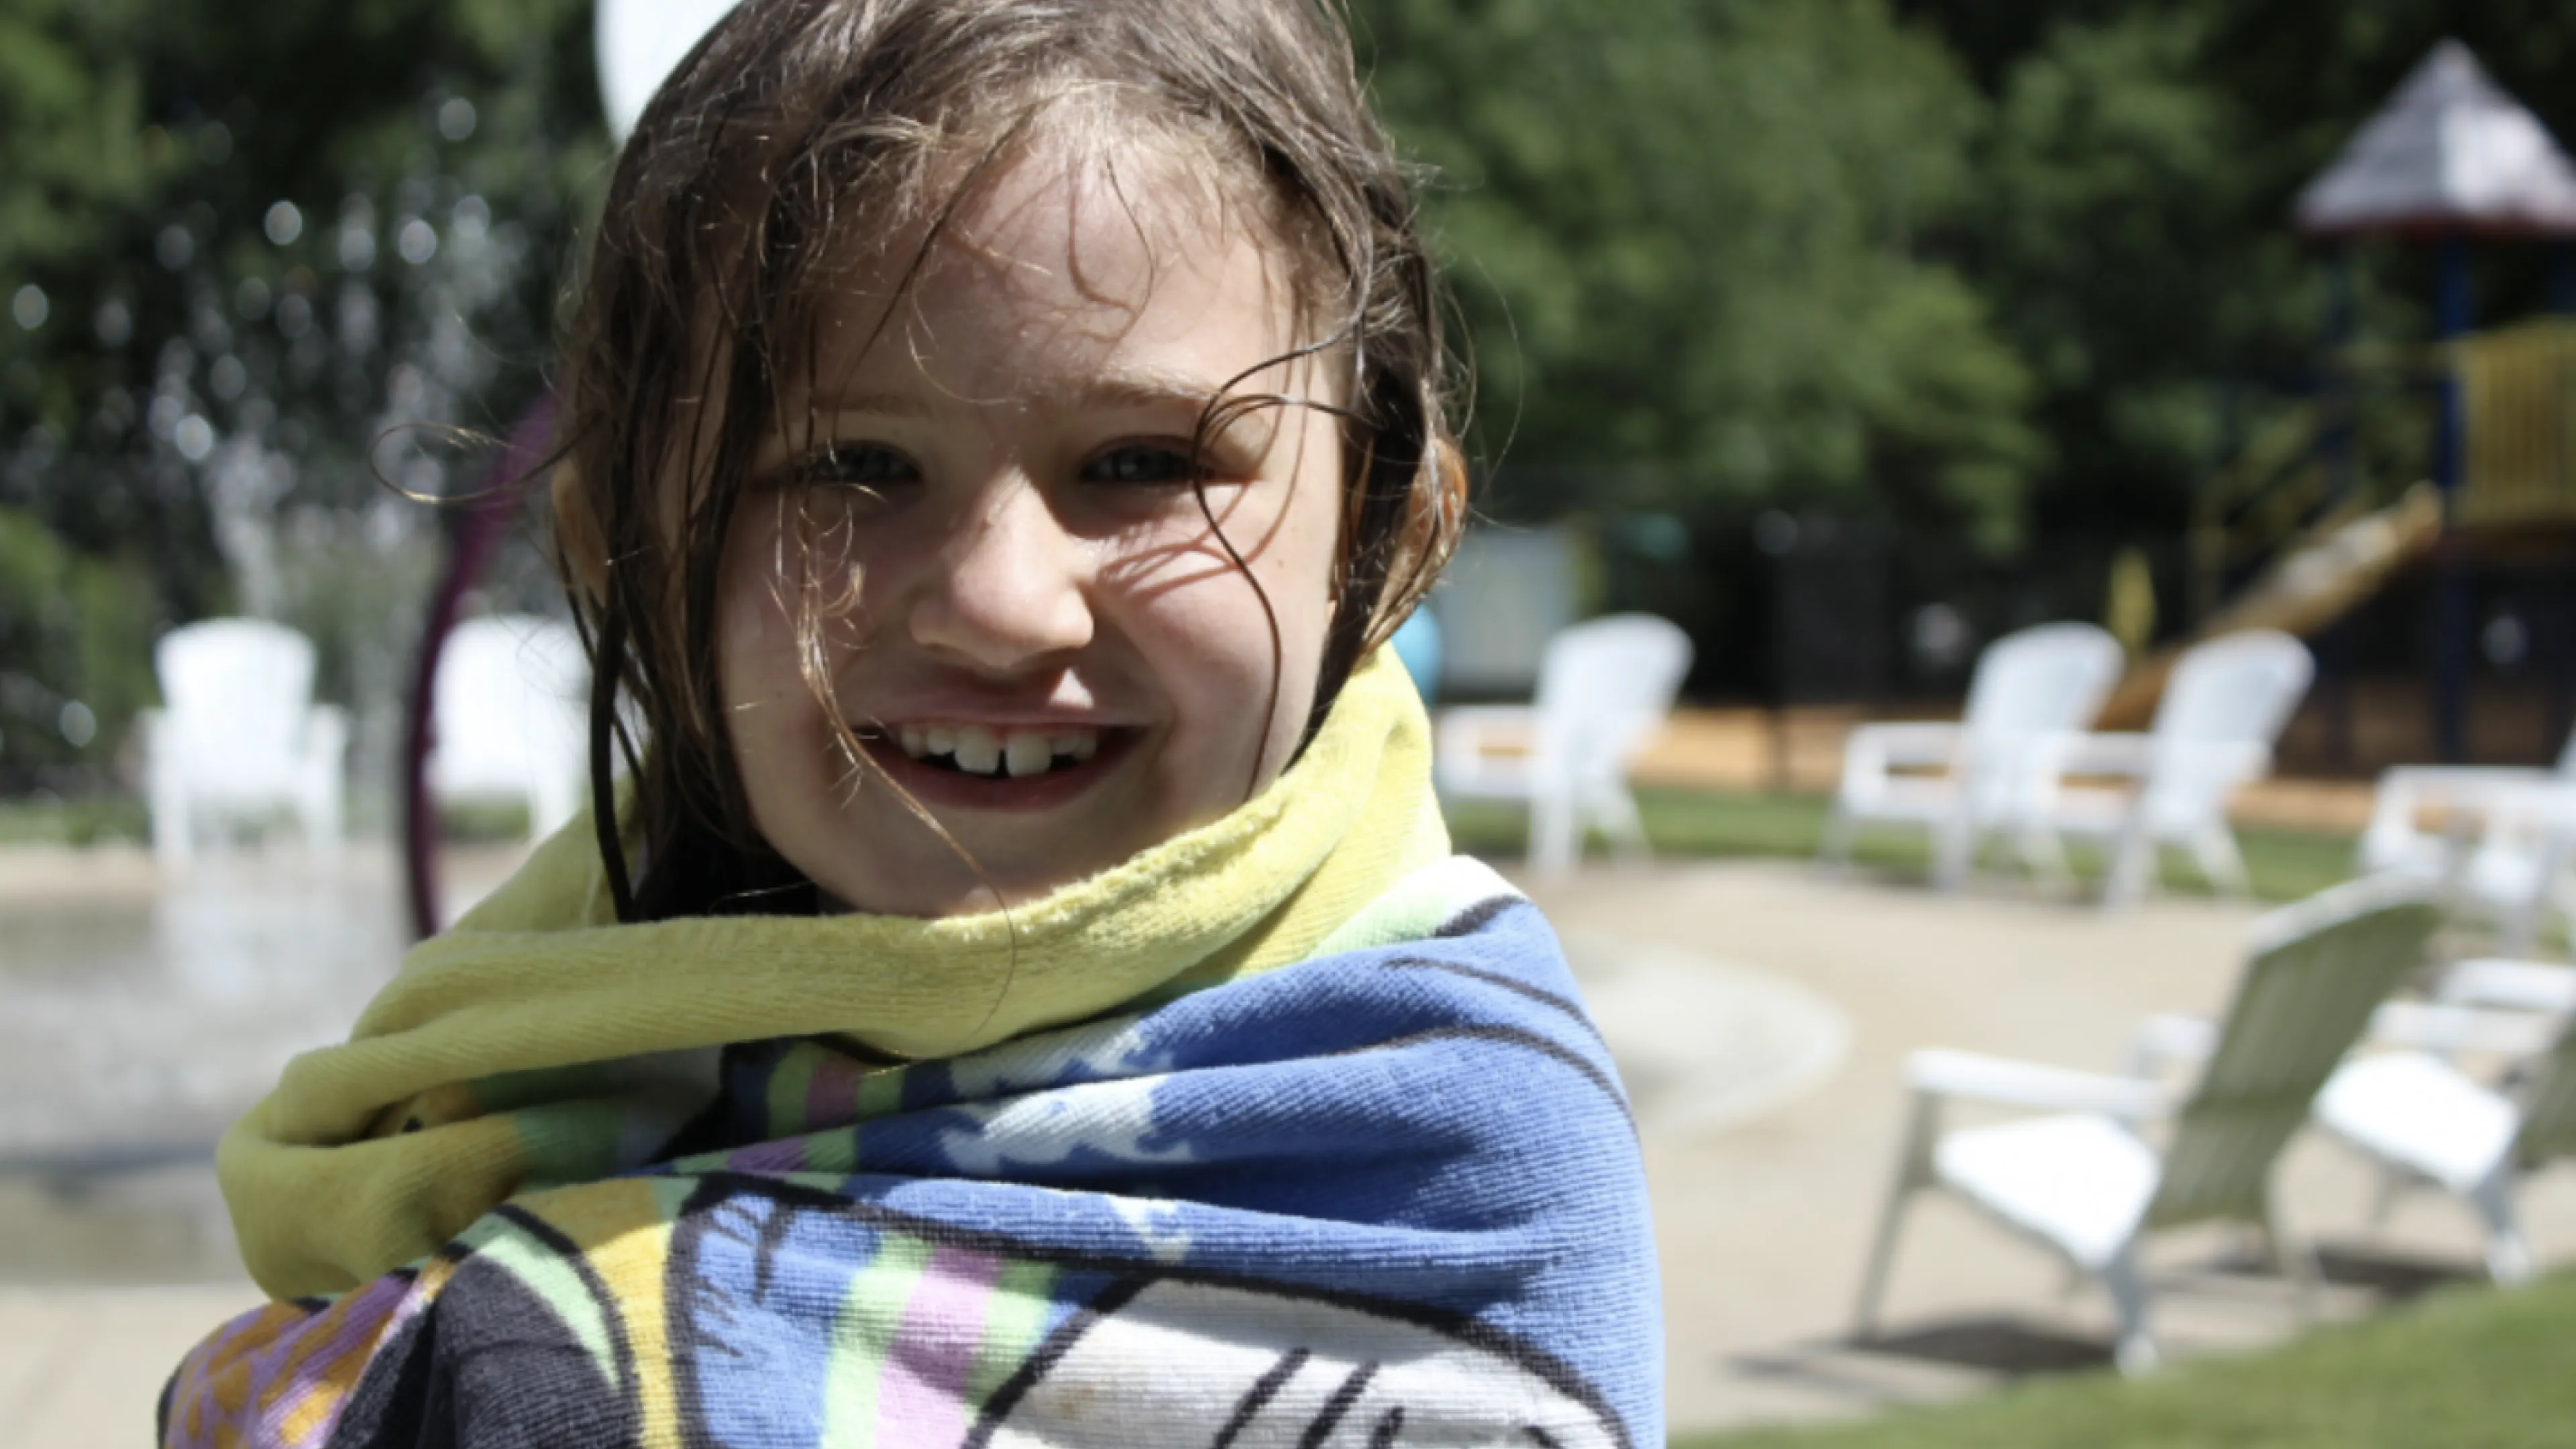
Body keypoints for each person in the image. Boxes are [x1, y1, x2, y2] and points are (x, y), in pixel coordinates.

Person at [161, 1, 1660, 1444]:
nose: (1002, 606)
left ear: (1385, 539)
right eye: (850, 468)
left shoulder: (1446, 1149)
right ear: (616, 543)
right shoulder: (484, 1085)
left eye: (1142, 463)